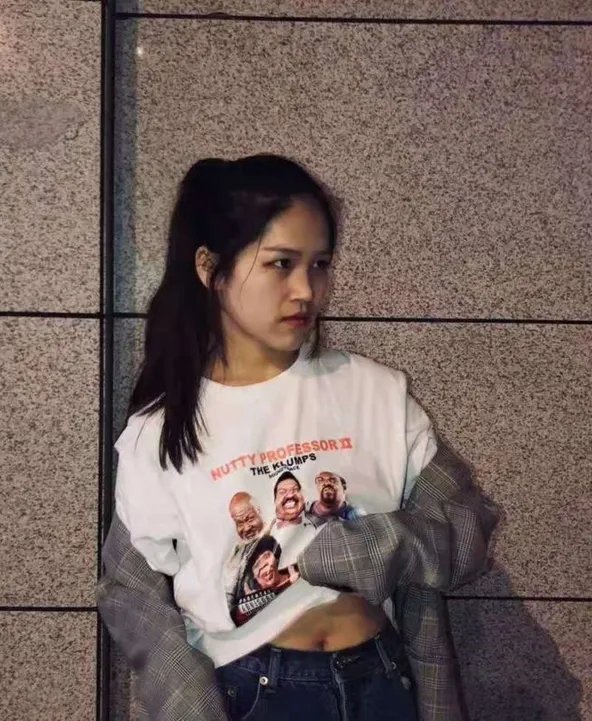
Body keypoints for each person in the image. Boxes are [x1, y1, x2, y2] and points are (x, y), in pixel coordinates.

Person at [97, 154, 497, 721]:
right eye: (281, 264)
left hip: (382, 680)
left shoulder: (374, 392)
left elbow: (467, 531)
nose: (306, 289)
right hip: (256, 692)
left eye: (320, 265)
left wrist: (374, 547)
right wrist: (188, 702)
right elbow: (131, 592)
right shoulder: (161, 431)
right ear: (210, 268)